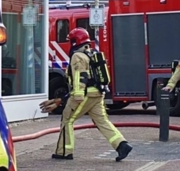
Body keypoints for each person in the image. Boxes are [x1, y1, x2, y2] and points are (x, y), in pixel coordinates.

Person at [53, 27, 132, 161]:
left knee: (67, 120)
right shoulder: (92, 53)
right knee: (102, 121)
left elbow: (80, 76)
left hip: (85, 94)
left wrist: (78, 95)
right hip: (98, 94)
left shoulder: (77, 56)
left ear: (75, 41)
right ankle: (121, 145)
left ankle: (65, 151)